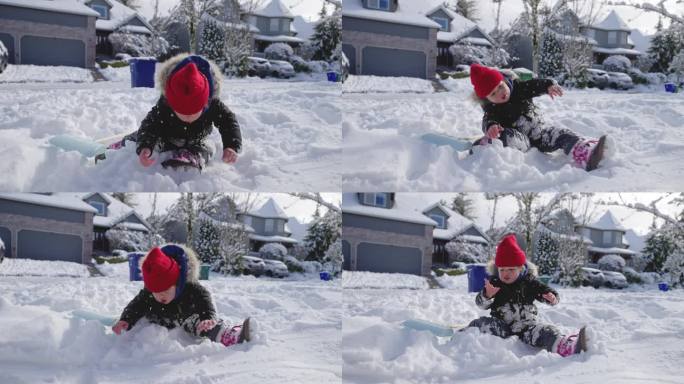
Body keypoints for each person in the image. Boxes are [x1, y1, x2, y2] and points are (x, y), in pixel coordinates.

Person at [111, 54, 242, 170]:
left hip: (196, 139)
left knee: (208, 146)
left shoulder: (213, 103)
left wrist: (231, 146)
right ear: (171, 105)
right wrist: (145, 146)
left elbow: (228, 121)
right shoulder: (165, 104)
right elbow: (150, 124)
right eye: (182, 113)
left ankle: (193, 156)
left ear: (205, 105)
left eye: (194, 112)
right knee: (145, 136)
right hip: (166, 136)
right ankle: (126, 143)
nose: (189, 117)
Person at [470, 63, 606, 171]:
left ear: (504, 80)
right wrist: (491, 127)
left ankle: (585, 153)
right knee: (504, 136)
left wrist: (547, 85)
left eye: (500, 87)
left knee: (560, 134)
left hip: (538, 133)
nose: (500, 93)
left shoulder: (519, 89)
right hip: (520, 139)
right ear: (487, 99)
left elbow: (534, 85)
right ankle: (488, 144)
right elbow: (488, 119)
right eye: (493, 94)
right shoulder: (492, 108)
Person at [467, 234, 587, 357]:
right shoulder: (495, 283)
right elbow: (480, 304)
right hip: (502, 328)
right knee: (483, 323)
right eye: (502, 270)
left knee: (546, 331)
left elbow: (545, 291)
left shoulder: (529, 282)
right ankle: (465, 334)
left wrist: (551, 297)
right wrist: (487, 295)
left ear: (520, 268)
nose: (505, 274)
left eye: (511, 270)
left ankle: (564, 346)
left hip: (527, 329)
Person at [112, 245, 251, 347]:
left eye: (166, 290)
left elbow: (204, 298)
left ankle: (228, 335)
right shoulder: (149, 292)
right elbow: (136, 305)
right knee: (141, 317)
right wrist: (126, 319)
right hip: (158, 318)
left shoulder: (190, 288)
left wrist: (207, 317)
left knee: (203, 326)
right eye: (156, 291)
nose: (161, 295)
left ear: (177, 284)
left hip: (185, 318)